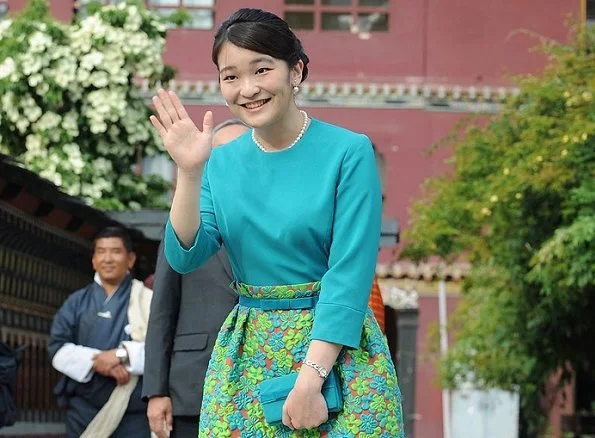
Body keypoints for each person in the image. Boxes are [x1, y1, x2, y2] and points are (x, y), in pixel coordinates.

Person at [150, 7, 404, 436]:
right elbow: (185, 255)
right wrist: (189, 173)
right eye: (230, 76)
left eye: (261, 69)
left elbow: (349, 275)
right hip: (247, 353)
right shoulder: (219, 162)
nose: (247, 89)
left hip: (336, 354)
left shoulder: (348, 152)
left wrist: (311, 380)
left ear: (296, 71)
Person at [142, 119, 249, 438]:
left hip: (263, 384)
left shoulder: (278, 223)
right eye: (219, 155)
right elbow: (162, 309)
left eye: (241, 154)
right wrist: (156, 390)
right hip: (191, 390)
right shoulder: (184, 222)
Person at [48, 227, 152, 438]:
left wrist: (121, 356)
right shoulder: (76, 302)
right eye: (101, 252)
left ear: (130, 259)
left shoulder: (147, 300)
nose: (108, 258)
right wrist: (98, 362)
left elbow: (163, 348)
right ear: (94, 259)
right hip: (83, 412)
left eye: (115, 251)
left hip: (133, 412)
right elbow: (57, 347)